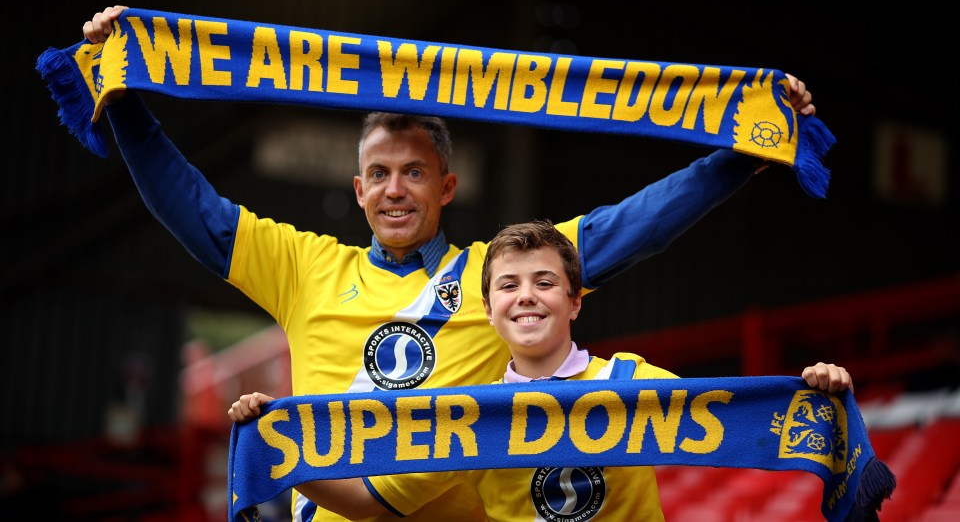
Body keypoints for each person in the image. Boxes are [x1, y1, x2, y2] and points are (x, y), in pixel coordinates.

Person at [82, 5, 818, 522]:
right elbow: (192, 208)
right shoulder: (300, 265)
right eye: (380, 173)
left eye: (414, 171)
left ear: (447, 186)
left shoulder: (503, 276)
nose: (396, 189)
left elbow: (640, 224)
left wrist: (746, 150)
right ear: (359, 190)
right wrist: (121, 99)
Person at [228, 220, 854, 521]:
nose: (526, 296)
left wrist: (816, 390)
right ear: (489, 309)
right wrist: (278, 450)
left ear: (575, 301)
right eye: (509, 285)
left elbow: (739, 413)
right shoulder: (468, 416)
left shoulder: (628, 382)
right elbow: (367, 503)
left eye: (545, 282)